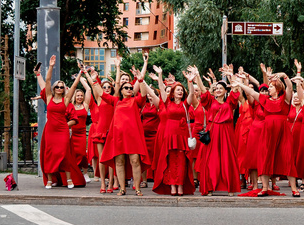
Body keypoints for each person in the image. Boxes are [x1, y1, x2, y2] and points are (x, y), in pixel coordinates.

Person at [232, 66, 297, 196]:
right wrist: (240, 84)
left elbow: (290, 87)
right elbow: (251, 92)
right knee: (265, 157)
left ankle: (294, 189)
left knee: (287, 157)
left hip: (283, 131)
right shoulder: (264, 100)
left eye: (271, 87)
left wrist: (284, 75)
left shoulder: (284, 99)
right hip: (267, 132)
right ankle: (265, 188)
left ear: (277, 88)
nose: (268, 89)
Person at [97, 54, 151, 196]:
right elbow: (101, 93)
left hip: (133, 136)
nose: (129, 89)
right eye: (126, 87)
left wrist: (141, 80)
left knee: (135, 161)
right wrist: (92, 79)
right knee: (119, 162)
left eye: (130, 87)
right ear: (120, 90)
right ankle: (122, 188)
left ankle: (137, 188)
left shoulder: (136, 101)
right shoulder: (116, 101)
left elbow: (143, 94)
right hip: (118, 137)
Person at [35, 57, 86, 189]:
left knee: (64, 154)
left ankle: (69, 179)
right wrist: (51, 66)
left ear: (64, 89)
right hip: (50, 130)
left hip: (63, 130)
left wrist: (80, 73)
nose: (59, 88)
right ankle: (50, 180)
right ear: (54, 88)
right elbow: (47, 81)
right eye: (57, 86)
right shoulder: (49, 97)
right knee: (50, 154)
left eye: (61, 87)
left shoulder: (66, 100)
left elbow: (74, 86)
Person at [192, 66, 242, 196]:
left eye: (221, 88)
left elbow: (235, 88)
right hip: (213, 131)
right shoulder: (210, 101)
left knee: (227, 158)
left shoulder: (230, 102)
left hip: (226, 132)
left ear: (225, 90)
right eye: (216, 88)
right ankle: (210, 187)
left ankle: (229, 188)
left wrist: (231, 75)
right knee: (211, 159)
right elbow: (203, 90)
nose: (218, 90)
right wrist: (197, 75)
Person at [149, 66, 196, 196]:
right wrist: (160, 75)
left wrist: (190, 81)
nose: (180, 92)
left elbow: (192, 94)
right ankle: (172, 186)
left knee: (181, 161)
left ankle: (180, 185)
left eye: (181, 90)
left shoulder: (185, 104)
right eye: (177, 90)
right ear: (173, 92)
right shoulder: (167, 103)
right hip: (169, 135)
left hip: (181, 135)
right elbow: (161, 89)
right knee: (169, 161)